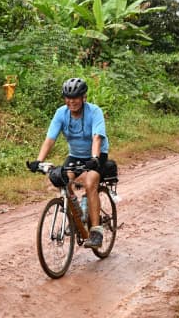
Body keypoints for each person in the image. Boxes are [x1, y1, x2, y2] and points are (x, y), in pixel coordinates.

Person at [28, 77, 109, 248]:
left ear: (83, 97)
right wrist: (38, 161)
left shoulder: (94, 112)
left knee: (90, 182)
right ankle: (78, 215)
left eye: (76, 98)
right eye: (68, 98)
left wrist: (94, 159)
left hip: (97, 155)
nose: (72, 102)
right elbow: (50, 139)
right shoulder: (61, 113)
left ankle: (96, 231)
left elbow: (97, 138)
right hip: (75, 155)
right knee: (61, 179)